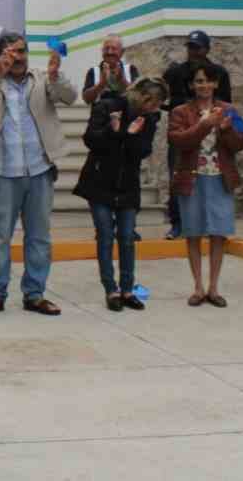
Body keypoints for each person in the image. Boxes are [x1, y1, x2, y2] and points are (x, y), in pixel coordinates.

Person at [0, 33, 76, 319]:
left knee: (39, 237)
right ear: (0, 55)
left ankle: (35, 294)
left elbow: (70, 96)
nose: (19, 57)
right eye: (12, 52)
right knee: (0, 239)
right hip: (2, 173)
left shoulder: (41, 78)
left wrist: (56, 76)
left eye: (22, 51)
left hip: (39, 171)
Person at [74, 78, 167, 311]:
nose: (156, 109)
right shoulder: (107, 106)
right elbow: (91, 140)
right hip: (100, 182)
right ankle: (111, 289)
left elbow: (142, 151)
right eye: (155, 103)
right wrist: (114, 131)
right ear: (145, 98)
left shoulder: (149, 118)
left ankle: (128, 288)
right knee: (105, 236)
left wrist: (129, 134)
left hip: (127, 184)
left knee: (126, 237)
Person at [168, 62, 243, 308]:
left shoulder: (229, 110)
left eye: (208, 80)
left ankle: (214, 287)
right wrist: (204, 125)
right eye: (198, 81)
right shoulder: (180, 111)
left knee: (218, 233)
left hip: (220, 177)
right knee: (192, 232)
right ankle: (198, 287)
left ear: (216, 83)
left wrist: (225, 130)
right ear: (191, 85)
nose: (203, 85)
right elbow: (178, 141)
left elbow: (241, 143)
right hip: (191, 178)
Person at [161, 30, 232, 239]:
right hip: (183, 131)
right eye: (190, 47)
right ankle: (177, 224)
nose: (193, 51)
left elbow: (227, 100)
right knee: (178, 175)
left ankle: (213, 225)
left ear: (207, 49)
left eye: (197, 47)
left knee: (214, 181)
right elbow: (161, 95)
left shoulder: (219, 72)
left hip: (213, 133)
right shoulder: (175, 72)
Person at [81, 34, 141, 105]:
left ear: (122, 52)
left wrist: (122, 80)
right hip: (100, 115)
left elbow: (138, 98)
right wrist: (101, 84)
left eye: (114, 48)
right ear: (102, 51)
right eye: (106, 48)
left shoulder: (130, 69)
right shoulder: (93, 71)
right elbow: (87, 100)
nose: (110, 52)